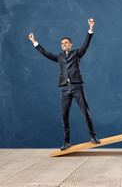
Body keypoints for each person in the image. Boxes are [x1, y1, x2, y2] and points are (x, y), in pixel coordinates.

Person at [28, 18, 101, 151]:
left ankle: (93, 136)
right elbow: (45, 53)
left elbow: (86, 44)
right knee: (64, 115)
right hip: (65, 89)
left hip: (77, 87)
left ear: (71, 44)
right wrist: (34, 41)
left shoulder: (77, 53)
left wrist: (91, 28)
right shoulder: (59, 57)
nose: (64, 44)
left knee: (85, 112)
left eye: (66, 43)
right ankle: (66, 142)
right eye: (62, 43)